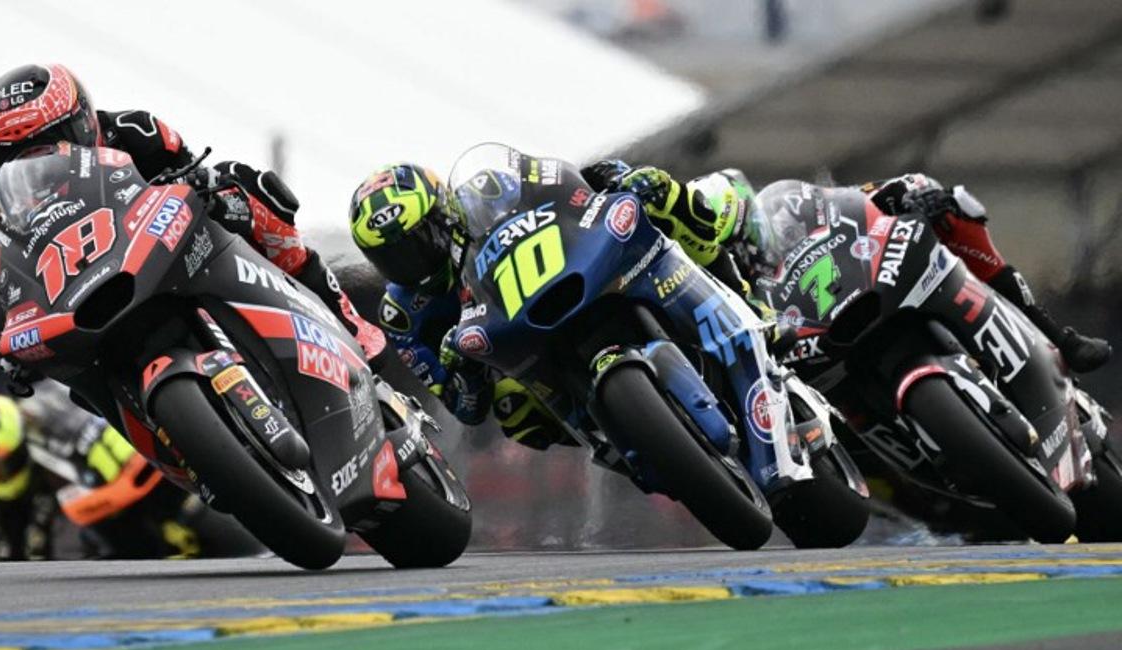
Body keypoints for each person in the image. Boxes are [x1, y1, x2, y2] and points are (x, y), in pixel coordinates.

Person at [0, 63, 384, 393]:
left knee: (248, 187)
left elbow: (194, 173)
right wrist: (18, 355)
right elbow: (16, 298)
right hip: (89, 310)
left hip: (168, 250)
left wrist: (217, 193)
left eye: (52, 141)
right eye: (14, 156)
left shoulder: (135, 131)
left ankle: (348, 322)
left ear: (83, 119)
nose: (39, 163)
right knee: (73, 383)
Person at [347, 158, 752, 447]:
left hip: (569, 273)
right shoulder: (401, 315)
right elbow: (466, 408)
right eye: (393, 257)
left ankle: (744, 300)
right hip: (516, 344)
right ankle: (622, 439)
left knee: (661, 196)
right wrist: (464, 372)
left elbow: (559, 186)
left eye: (421, 238)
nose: (414, 261)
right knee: (515, 411)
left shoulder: (486, 190)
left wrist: (609, 176)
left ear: (444, 211)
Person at [690, 166, 1111, 373]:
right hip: (819, 348)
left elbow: (855, 198)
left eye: (745, 234)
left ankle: (1059, 336)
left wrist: (912, 193)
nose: (744, 250)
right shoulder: (728, 286)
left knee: (952, 210)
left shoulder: (791, 207)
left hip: (871, 282)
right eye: (730, 248)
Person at [0, 385, 250, 559]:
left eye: (7, 462)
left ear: (22, 447)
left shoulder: (36, 423)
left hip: (64, 487)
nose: (1, 473)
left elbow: (73, 424)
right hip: (19, 527)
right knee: (28, 550)